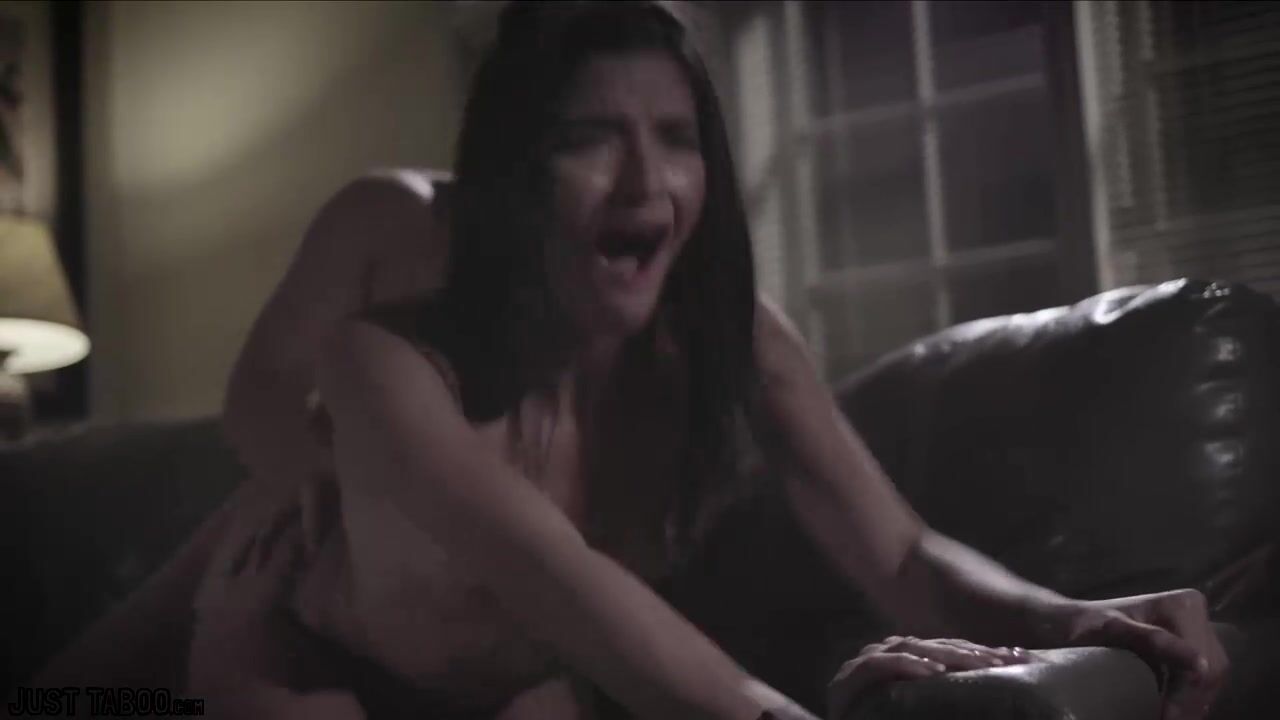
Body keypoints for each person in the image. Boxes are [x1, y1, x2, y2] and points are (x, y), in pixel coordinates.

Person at [31, 2, 1227, 720]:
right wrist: (307, 488)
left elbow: (900, 552)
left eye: (675, 140)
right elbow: (274, 401)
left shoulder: (727, 338)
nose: (644, 183)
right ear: (514, 169)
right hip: (282, 619)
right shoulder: (394, 321)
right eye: (589, 140)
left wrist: (1076, 618)